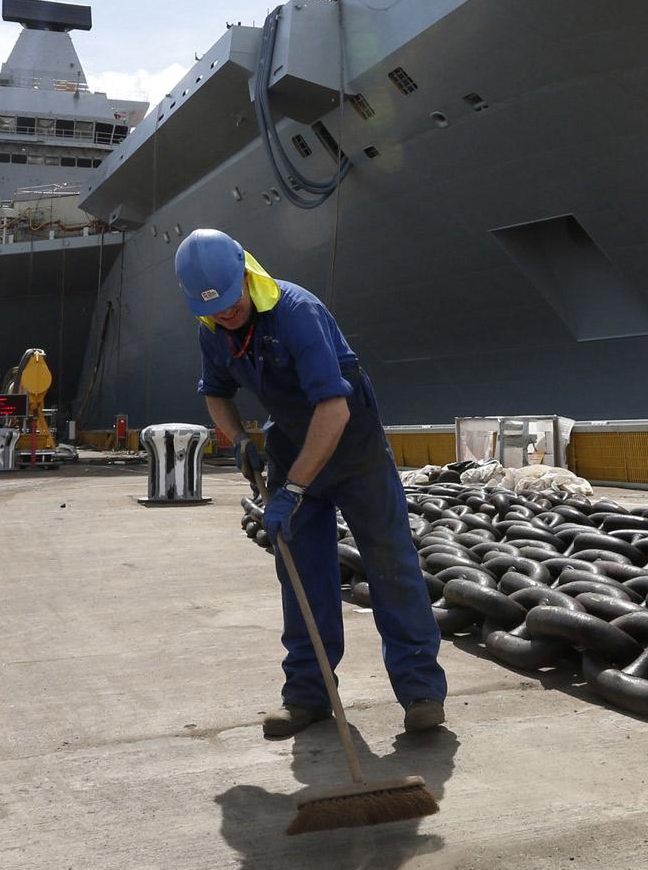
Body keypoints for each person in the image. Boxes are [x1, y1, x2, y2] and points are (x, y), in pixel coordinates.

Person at [175, 228, 447, 738]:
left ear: (246, 274)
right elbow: (215, 391)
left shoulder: (298, 311)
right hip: (289, 446)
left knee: (391, 567)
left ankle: (421, 693)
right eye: (212, 308)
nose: (225, 314)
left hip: (353, 449)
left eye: (231, 302)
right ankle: (308, 694)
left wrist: (294, 490)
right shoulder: (212, 328)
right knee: (302, 576)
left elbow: (334, 407)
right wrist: (237, 439)